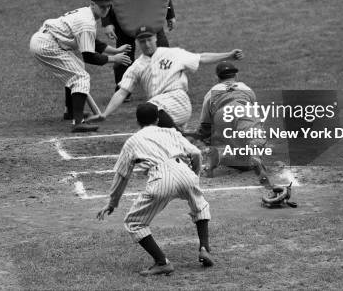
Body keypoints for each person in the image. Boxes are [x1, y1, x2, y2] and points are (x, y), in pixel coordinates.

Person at [97, 103, 213, 276]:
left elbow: (122, 175)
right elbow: (196, 153)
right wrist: (194, 176)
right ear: (157, 119)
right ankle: (204, 248)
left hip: (160, 178)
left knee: (134, 222)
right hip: (183, 170)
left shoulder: (133, 141)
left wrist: (113, 203)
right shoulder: (171, 132)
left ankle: (162, 262)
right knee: (201, 206)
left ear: (137, 121)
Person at [87, 25, 244, 129]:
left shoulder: (172, 53)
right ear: (138, 42)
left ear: (155, 38)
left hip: (178, 100)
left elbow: (201, 58)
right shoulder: (136, 66)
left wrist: (229, 55)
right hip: (161, 109)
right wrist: (105, 113)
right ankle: (181, 142)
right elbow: (122, 92)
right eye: (142, 41)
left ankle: (179, 140)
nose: (147, 44)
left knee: (147, 110)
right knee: (154, 130)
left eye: (149, 39)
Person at [29, 0, 132, 132]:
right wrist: (114, 59)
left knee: (77, 67)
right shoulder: (87, 23)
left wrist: (115, 50)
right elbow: (89, 56)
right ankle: (78, 122)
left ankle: (71, 112)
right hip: (47, 45)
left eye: (108, 6)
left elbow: (92, 42)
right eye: (102, 6)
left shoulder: (86, 13)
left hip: (46, 39)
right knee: (80, 76)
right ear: (93, 4)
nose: (106, 9)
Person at [188, 61, 273, 186]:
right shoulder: (246, 88)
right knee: (255, 138)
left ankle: (211, 166)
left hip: (222, 116)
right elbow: (254, 111)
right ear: (236, 76)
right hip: (243, 109)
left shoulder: (211, 92)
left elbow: (205, 126)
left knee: (211, 133)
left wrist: (201, 138)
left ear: (218, 78)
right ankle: (255, 155)